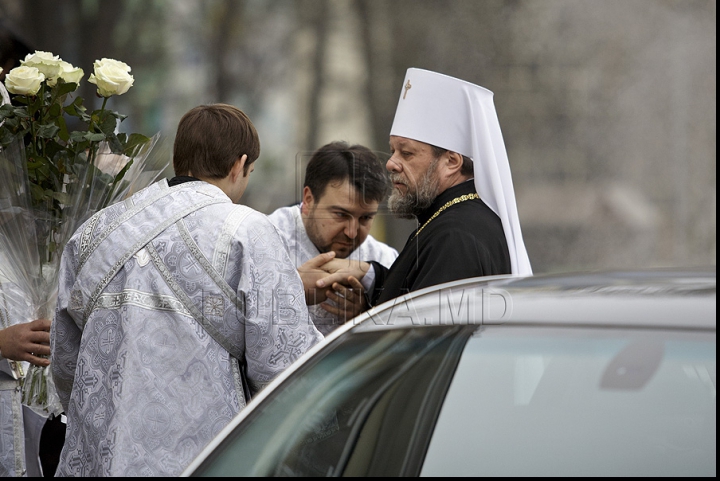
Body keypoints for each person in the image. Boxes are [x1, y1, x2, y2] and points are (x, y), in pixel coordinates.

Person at [50, 104, 323, 477]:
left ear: (181, 159)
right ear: (239, 165)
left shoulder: (97, 230)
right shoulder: (247, 231)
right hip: (199, 459)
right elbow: (283, 364)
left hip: (98, 456)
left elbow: (66, 359)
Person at [316, 68, 532, 307]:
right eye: (392, 151)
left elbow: (425, 338)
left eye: (406, 153)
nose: (390, 164)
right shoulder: (455, 220)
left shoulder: (455, 238)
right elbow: (417, 296)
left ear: (451, 162)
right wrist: (370, 276)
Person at [268, 141, 398, 335]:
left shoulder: (384, 259)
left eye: (365, 218)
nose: (352, 233)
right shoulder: (264, 241)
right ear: (309, 200)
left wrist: (368, 314)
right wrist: (289, 290)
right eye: (341, 215)